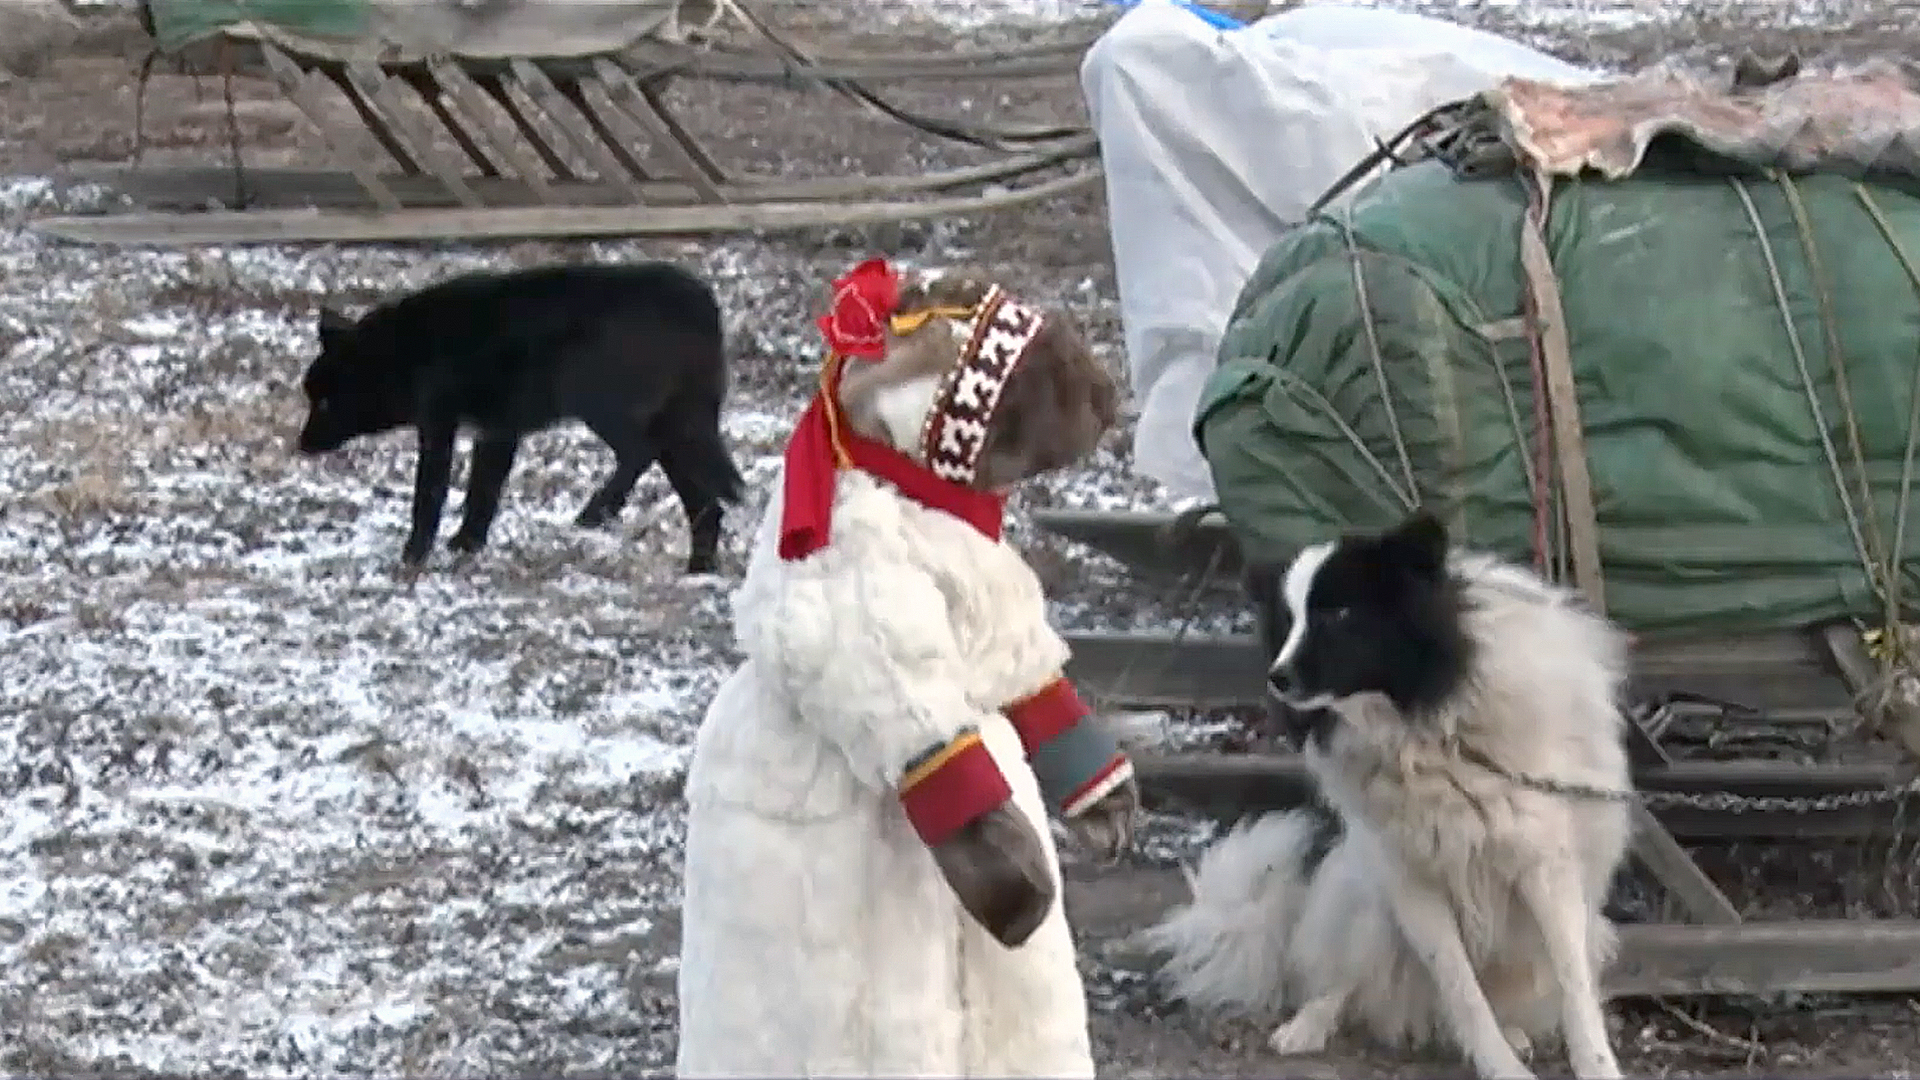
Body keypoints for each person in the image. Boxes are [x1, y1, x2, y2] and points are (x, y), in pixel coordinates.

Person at [676, 258, 1139, 1077]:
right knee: (846, 1025)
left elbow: (997, 624)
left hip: (949, 788)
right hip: (839, 803)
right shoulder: (838, 527)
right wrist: (970, 817)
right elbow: (870, 663)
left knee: (990, 1015)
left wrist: (1072, 752)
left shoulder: (941, 511)